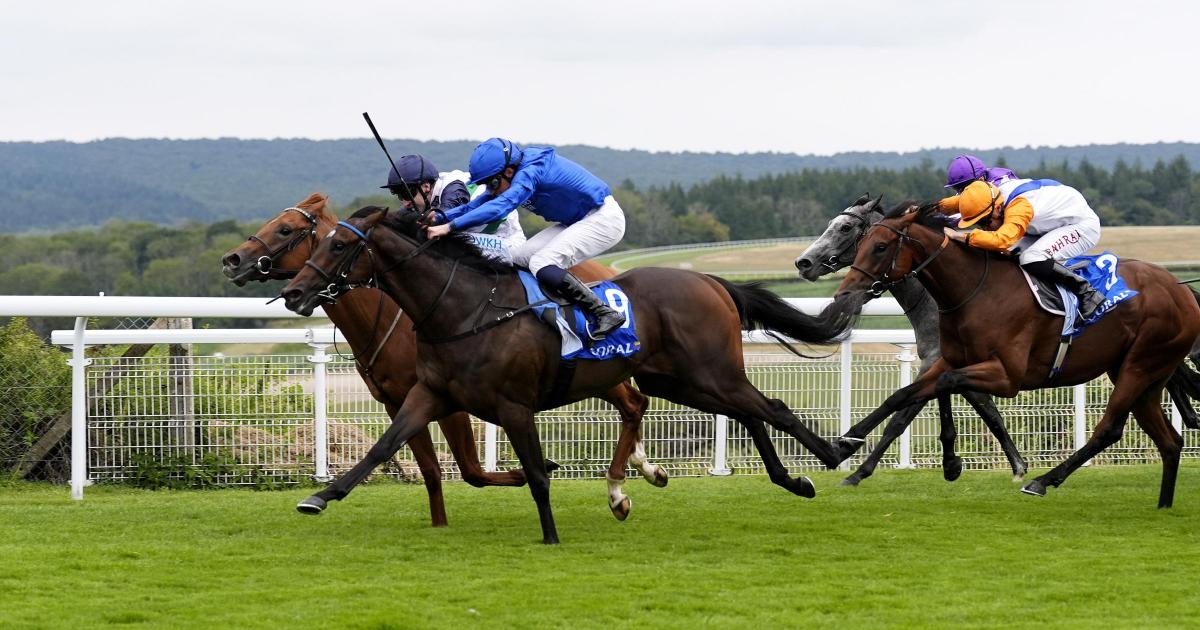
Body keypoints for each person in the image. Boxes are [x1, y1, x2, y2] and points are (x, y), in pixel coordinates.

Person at [425, 138, 626, 340]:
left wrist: (450, 227)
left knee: (542, 262)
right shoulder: (509, 175)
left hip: (603, 218)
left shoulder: (532, 170)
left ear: (509, 172)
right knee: (517, 257)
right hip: (576, 220)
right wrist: (442, 217)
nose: (490, 189)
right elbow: (477, 204)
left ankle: (604, 312)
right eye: (486, 184)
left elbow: (500, 207)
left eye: (492, 183)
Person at [939, 178, 1106, 320]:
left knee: (1031, 257)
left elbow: (1002, 240)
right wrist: (920, 211)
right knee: (1002, 253)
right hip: (1047, 224)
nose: (985, 228)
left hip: (1081, 226)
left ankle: (1086, 292)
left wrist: (961, 236)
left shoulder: (1019, 208)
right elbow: (955, 203)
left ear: (997, 209)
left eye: (986, 222)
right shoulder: (990, 195)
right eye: (979, 223)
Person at [381, 153, 526, 263]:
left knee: (444, 238)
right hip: (477, 237)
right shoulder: (422, 196)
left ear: (426, 186)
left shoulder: (453, 187)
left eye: (407, 194)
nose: (405, 202)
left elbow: (447, 213)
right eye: (399, 195)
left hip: (508, 243)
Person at [943, 154, 1019, 193]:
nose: (961, 193)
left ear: (981, 179)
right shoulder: (971, 189)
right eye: (956, 188)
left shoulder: (1003, 189)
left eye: (964, 187)